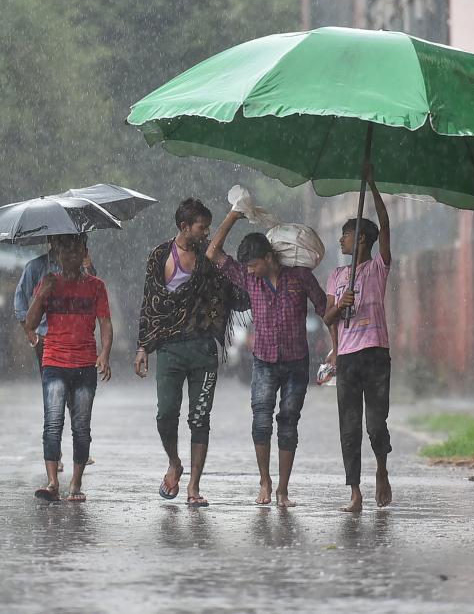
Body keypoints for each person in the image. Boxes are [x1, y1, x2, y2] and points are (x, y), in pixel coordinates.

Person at [134, 199, 250, 508]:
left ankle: (194, 485)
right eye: (202, 226)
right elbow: (150, 304)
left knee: (200, 418)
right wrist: (143, 346)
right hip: (169, 349)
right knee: (166, 415)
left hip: (203, 349)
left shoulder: (207, 258)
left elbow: (218, 249)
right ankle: (174, 462)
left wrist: (234, 217)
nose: (206, 232)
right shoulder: (159, 256)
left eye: (208, 227)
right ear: (185, 227)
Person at [207, 211, 327, 508]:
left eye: (253, 264)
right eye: (246, 267)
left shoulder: (301, 278)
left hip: (296, 363)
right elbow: (213, 253)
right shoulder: (250, 281)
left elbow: (327, 309)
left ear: (269, 258)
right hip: (263, 361)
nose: (249, 271)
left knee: (288, 422)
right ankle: (265, 481)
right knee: (261, 422)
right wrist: (234, 214)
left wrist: (336, 348)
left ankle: (283, 490)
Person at [323, 165, 393, 513]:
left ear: (362, 240)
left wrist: (372, 184)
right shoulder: (336, 275)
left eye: (346, 235)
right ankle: (354, 491)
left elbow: (385, 225)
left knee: (375, 424)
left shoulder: (379, 267)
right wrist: (341, 306)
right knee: (349, 427)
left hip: (376, 354)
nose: (341, 240)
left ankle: (381, 468)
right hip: (348, 358)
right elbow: (328, 319)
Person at [24, 233, 112, 502]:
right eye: (66, 252)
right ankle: (52, 482)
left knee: (81, 426)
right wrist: (42, 295)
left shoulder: (96, 286)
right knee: (52, 424)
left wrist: (104, 353)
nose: (71, 257)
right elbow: (30, 322)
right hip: (54, 362)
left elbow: (105, 323)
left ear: (85, 252)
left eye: (77, 251)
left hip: (85, 364)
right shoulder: (48, 282)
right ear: (58, 254)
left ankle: (76, 482)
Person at [14, 237, 97, 471]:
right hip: (47, 339)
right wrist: (31, 334)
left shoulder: (80, 264)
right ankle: (56, 452)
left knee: (77, 396)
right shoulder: (36, 267)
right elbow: (20, 300)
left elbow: (94, 290)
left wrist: (88, 265)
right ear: (51, 240)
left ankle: (79, 449)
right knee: (53, 396)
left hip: (76, 339)